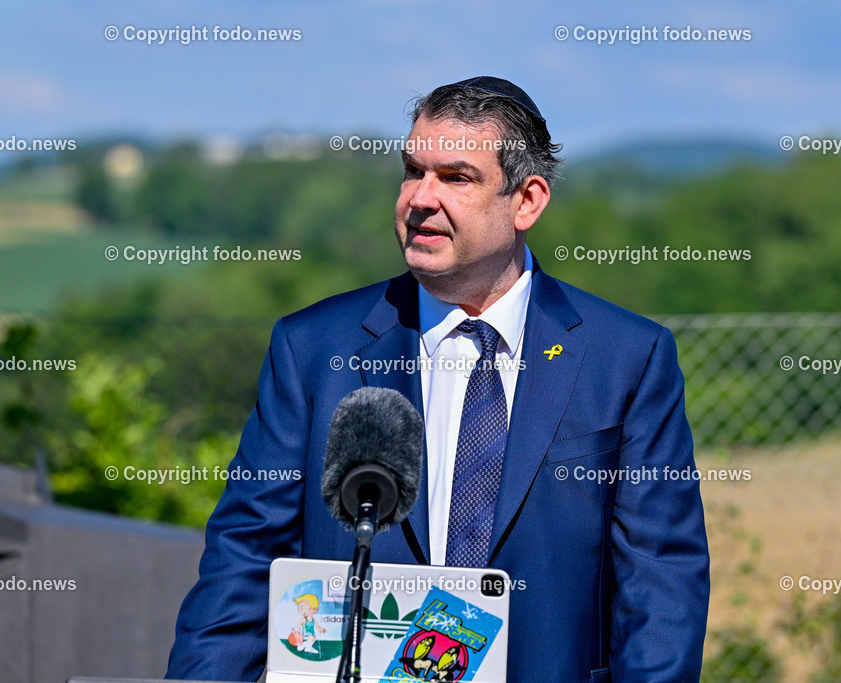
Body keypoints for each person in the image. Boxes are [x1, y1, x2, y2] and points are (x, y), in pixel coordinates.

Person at [166, 76, 709, 681]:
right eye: (411, 171)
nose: (420, 198)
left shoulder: (626, 357)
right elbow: (245, 558)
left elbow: (661, 582)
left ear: (526, 201)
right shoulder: (314, 348)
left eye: (456, 177)